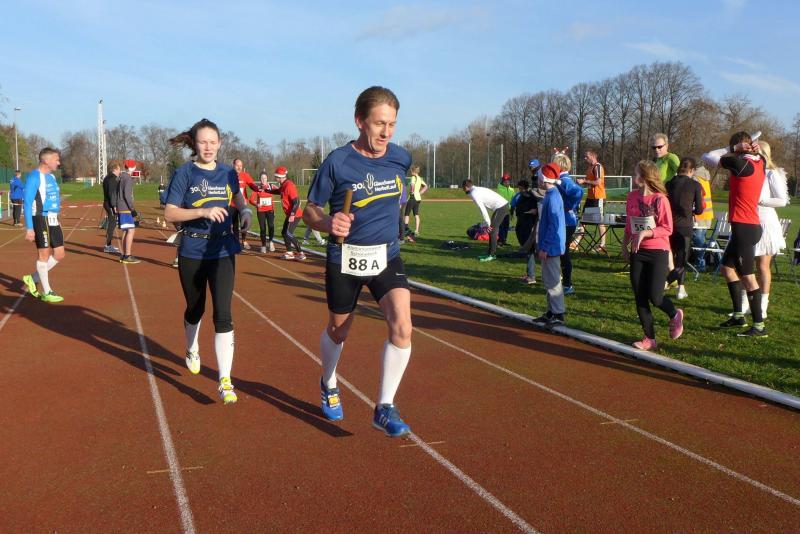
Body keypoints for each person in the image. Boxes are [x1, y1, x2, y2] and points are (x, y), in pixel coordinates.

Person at [302, 86, 413, 437]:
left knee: (403, 327)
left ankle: (384, 407)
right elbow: (309, 211)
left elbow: (399, 195)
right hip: (345, 257)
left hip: (386, 255)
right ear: (360, 121)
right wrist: (328, 223)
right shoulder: (338, 162)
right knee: (339, 330)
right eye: (379, 123)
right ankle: (328, 380)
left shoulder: (401, 158)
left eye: (392, 124)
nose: (386, 132)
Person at [164, 118, 251, 404]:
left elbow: (237, 197)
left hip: (223, 249)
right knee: (195, 308)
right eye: (203, 142)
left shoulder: (228, 173)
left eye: (213, 142)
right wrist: (203, 212)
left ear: (220, 143)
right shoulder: (184, 173)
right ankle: (192, 347)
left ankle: (225, 380)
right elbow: (170, 213)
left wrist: (245, 211)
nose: (208, 147)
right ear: (195, 144)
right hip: (193, 249)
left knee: (223, 314)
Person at [702, 131, 768, 337]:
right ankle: (739, 315)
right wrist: (754, 150)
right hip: (748, 227)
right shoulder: (760, 162)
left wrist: (733, 149)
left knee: (748, 277)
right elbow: (761, 156)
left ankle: (759, 326)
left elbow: (707, 157)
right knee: (727, 269)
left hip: (744, 229)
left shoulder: (740, 165)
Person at [621, 160, 683, 350]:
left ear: (646, 176)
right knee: (640, 296)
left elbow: (668, 228)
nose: (634, 176)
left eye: (636, 173)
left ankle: (674, 314)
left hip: (657, 251)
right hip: (637, 251)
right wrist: (624, 246)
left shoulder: (660, 199)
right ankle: (649, 338)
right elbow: (629, 223)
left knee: (655, 297)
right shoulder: (632, 196)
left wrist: (646, 233)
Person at [747, 140, 789, 319]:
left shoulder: (772, 173)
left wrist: (761, 200)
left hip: (765, 222)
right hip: (748, 220)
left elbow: (782, 200)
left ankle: (762, 305)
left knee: (762, 266)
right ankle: (745, 304)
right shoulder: (749, 170)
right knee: (746, 266)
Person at [21, 148, 66, 303]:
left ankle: (32, 278)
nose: (58, 163)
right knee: (44, 255)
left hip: (53, 219)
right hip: (40, 218)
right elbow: (27, 203)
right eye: (56, 159)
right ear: (46, 160)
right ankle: (47, 291)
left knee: (59, 254)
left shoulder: (52, 177)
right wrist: (29, 228)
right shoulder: (34, 177)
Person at [532, 163, 567, 327]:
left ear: (544, 179)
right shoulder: (550, 194)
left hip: (551, 247)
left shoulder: (553, 197)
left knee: (553, 281)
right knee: (548, 280)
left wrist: (545, 247)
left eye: (539, 177)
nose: (537, 179)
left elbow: (554, 225)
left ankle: (558, 314)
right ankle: (551, 311)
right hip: (549, 245)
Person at [665, 157, 704, 299]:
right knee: (682, 261)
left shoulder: (669, 184)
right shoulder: (695, 185)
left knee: (671, 258)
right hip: (684, 226)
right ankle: (667, 283)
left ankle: (680, 288)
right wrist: (690, 209)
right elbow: (699, 210)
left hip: (669, 225)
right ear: (692, 170)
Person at [552, 153, 583, 295]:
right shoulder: (560, 180)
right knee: (560, 253)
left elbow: (578, 191)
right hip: (563, 220)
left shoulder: (564, 180)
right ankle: (560, 279)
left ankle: (567, 284)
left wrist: (569, 205)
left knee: (563, 253)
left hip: (565, 221)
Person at [462, 179, 510, 262]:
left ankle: (492, 255)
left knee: (492, 230)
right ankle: (490, 253)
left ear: (466, 187)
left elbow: (482, 209)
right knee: (492, 230)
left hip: (501, 207)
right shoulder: (476, 190)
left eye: (463, 188)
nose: (463, 190)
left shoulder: (474, 193)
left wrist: (488, 223)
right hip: (502, 206)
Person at [270, 166, 305, 260]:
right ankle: (289, 252)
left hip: (295, 214)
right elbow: (279, 191)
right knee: (284, 233)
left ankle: (300, 253)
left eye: (276, 177)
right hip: (289, 214)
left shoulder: (289, 186)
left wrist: (292, 215)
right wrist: (267, 190)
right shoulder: (283, 185)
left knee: (288, 233)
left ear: (280, 177)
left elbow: (296, 201)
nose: (275, 178)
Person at [576, 149, 606, 251]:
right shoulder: (590, 167)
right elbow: (590, 182)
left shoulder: (598, 167)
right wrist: (584, 181)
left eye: (587, 157)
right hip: (590, 197)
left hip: (598, 197)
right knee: (583, 220)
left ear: (593, 156)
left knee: (599, 221)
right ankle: (576, 242)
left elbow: (598, 182)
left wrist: (584, 181)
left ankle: (602, 245)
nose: (585, 158)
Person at [116, 162, 140, 264]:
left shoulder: (121, 177)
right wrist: (132, 209)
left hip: (121, 207)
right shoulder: (128, 178)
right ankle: (127, 256)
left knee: (126, 231)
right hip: (126, 208)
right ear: (132, 168)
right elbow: (127, 195)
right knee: (131, 230)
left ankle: (124, 254)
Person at [691, 166, 714, 271]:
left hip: (699, 214)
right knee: (700, 240)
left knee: (698, 241)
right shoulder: (705, 177)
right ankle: (700, 263)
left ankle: (700, 264)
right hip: (707, 214)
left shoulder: (695, 178)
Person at [232, 159, 257, 250]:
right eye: (237, 165)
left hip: (243, 205)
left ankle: (244, 240)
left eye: (241, 166)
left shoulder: (245, 175)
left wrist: (258, 188)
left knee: (244, 223)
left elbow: (252, 185)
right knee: (234, 224)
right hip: (232, 205)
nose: (239, 167)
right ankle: (235, 242)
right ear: (233, 165)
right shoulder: (228, 175)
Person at [248, 171, 276, 253]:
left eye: (265, 178)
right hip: (261, 211)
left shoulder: (271, 186)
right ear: (260, 179)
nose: (263, 180)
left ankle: (271, 242)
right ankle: (263, 245)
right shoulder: (257, 188)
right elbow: (251, 200)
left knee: (271, 226)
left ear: (267, 178)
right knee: (262, 228)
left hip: (270, 210)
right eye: (262, 178)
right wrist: (256, 204)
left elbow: (281, 191)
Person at [101, 163, 121, 254]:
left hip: (107, 203)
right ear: (115, 169)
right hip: (110, 204)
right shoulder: (113, 179)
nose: (120, 171)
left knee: (112, 223)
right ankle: (108, 246)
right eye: (119, 169)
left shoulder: (106, 178)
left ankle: (108, 245)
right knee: (112, 224)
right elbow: (112, 193)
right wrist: (114, 206)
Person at [403, 164, 428, 239]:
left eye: (411, 170)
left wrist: (411, 191)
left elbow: (412, 185)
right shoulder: (420, 178)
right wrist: (420, 193)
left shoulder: (413, 177)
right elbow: (426, 186)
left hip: (412, 197)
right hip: (418, 198)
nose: (410, 172)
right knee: (416, 214)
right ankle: (416, 231)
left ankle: (405, 229)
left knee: (406, 214)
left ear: (413, 171)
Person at [496, 172, 515, 245]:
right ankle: (500, 240)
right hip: (501, 210)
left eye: (508, 181)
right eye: (505, 181)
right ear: (502, 181)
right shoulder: (499, 189)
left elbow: (514, 199)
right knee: (501, 225)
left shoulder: (511, 190)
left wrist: (512, 210)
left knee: (506, 225)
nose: (506, 183)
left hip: (508, 211)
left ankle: (504, 240)